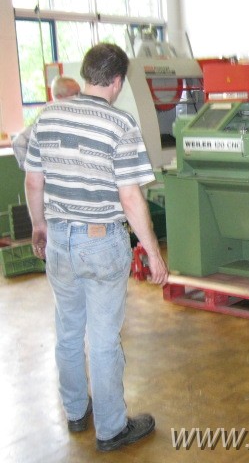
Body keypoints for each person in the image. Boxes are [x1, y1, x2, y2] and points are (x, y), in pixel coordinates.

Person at [24, 43, 169, 451]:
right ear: (118, 81)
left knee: (68, 332)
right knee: (104, 339)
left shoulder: (47, 116)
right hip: (100, 241)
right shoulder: (119, 124)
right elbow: (130, 198)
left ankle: (75, 413)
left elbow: (34, 181)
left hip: (58, 240)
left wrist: (39, 226)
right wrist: (153, 253)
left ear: (86, 74)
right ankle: (111, 429)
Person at [11, 76, 81, 170]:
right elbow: (19, 142)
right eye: (75, 94)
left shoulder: (79, 116)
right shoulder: (46, 117)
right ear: (59, 97)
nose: (79, 97)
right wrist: (33, 170)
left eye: (80, 93)